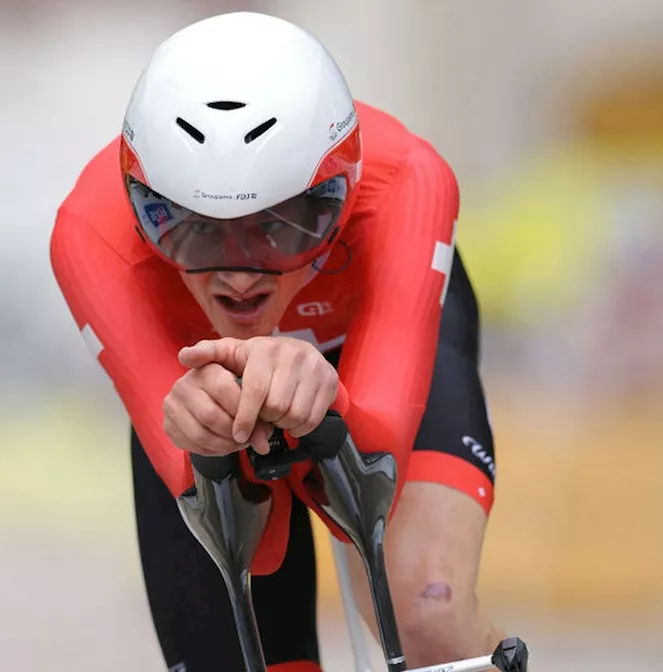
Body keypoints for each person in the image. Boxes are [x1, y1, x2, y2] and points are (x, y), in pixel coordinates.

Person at [51, 12, 506, 671]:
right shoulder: (90, 233)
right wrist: (202, 431)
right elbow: (208, 494)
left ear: (342, 196)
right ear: (140, 203)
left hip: (372, 349)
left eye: (284, 227)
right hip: (206, 390)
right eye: (192, 229)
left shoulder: (408, 177)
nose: (239, 273)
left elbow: (374, 461)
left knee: (422, 614)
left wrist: (329, 398)